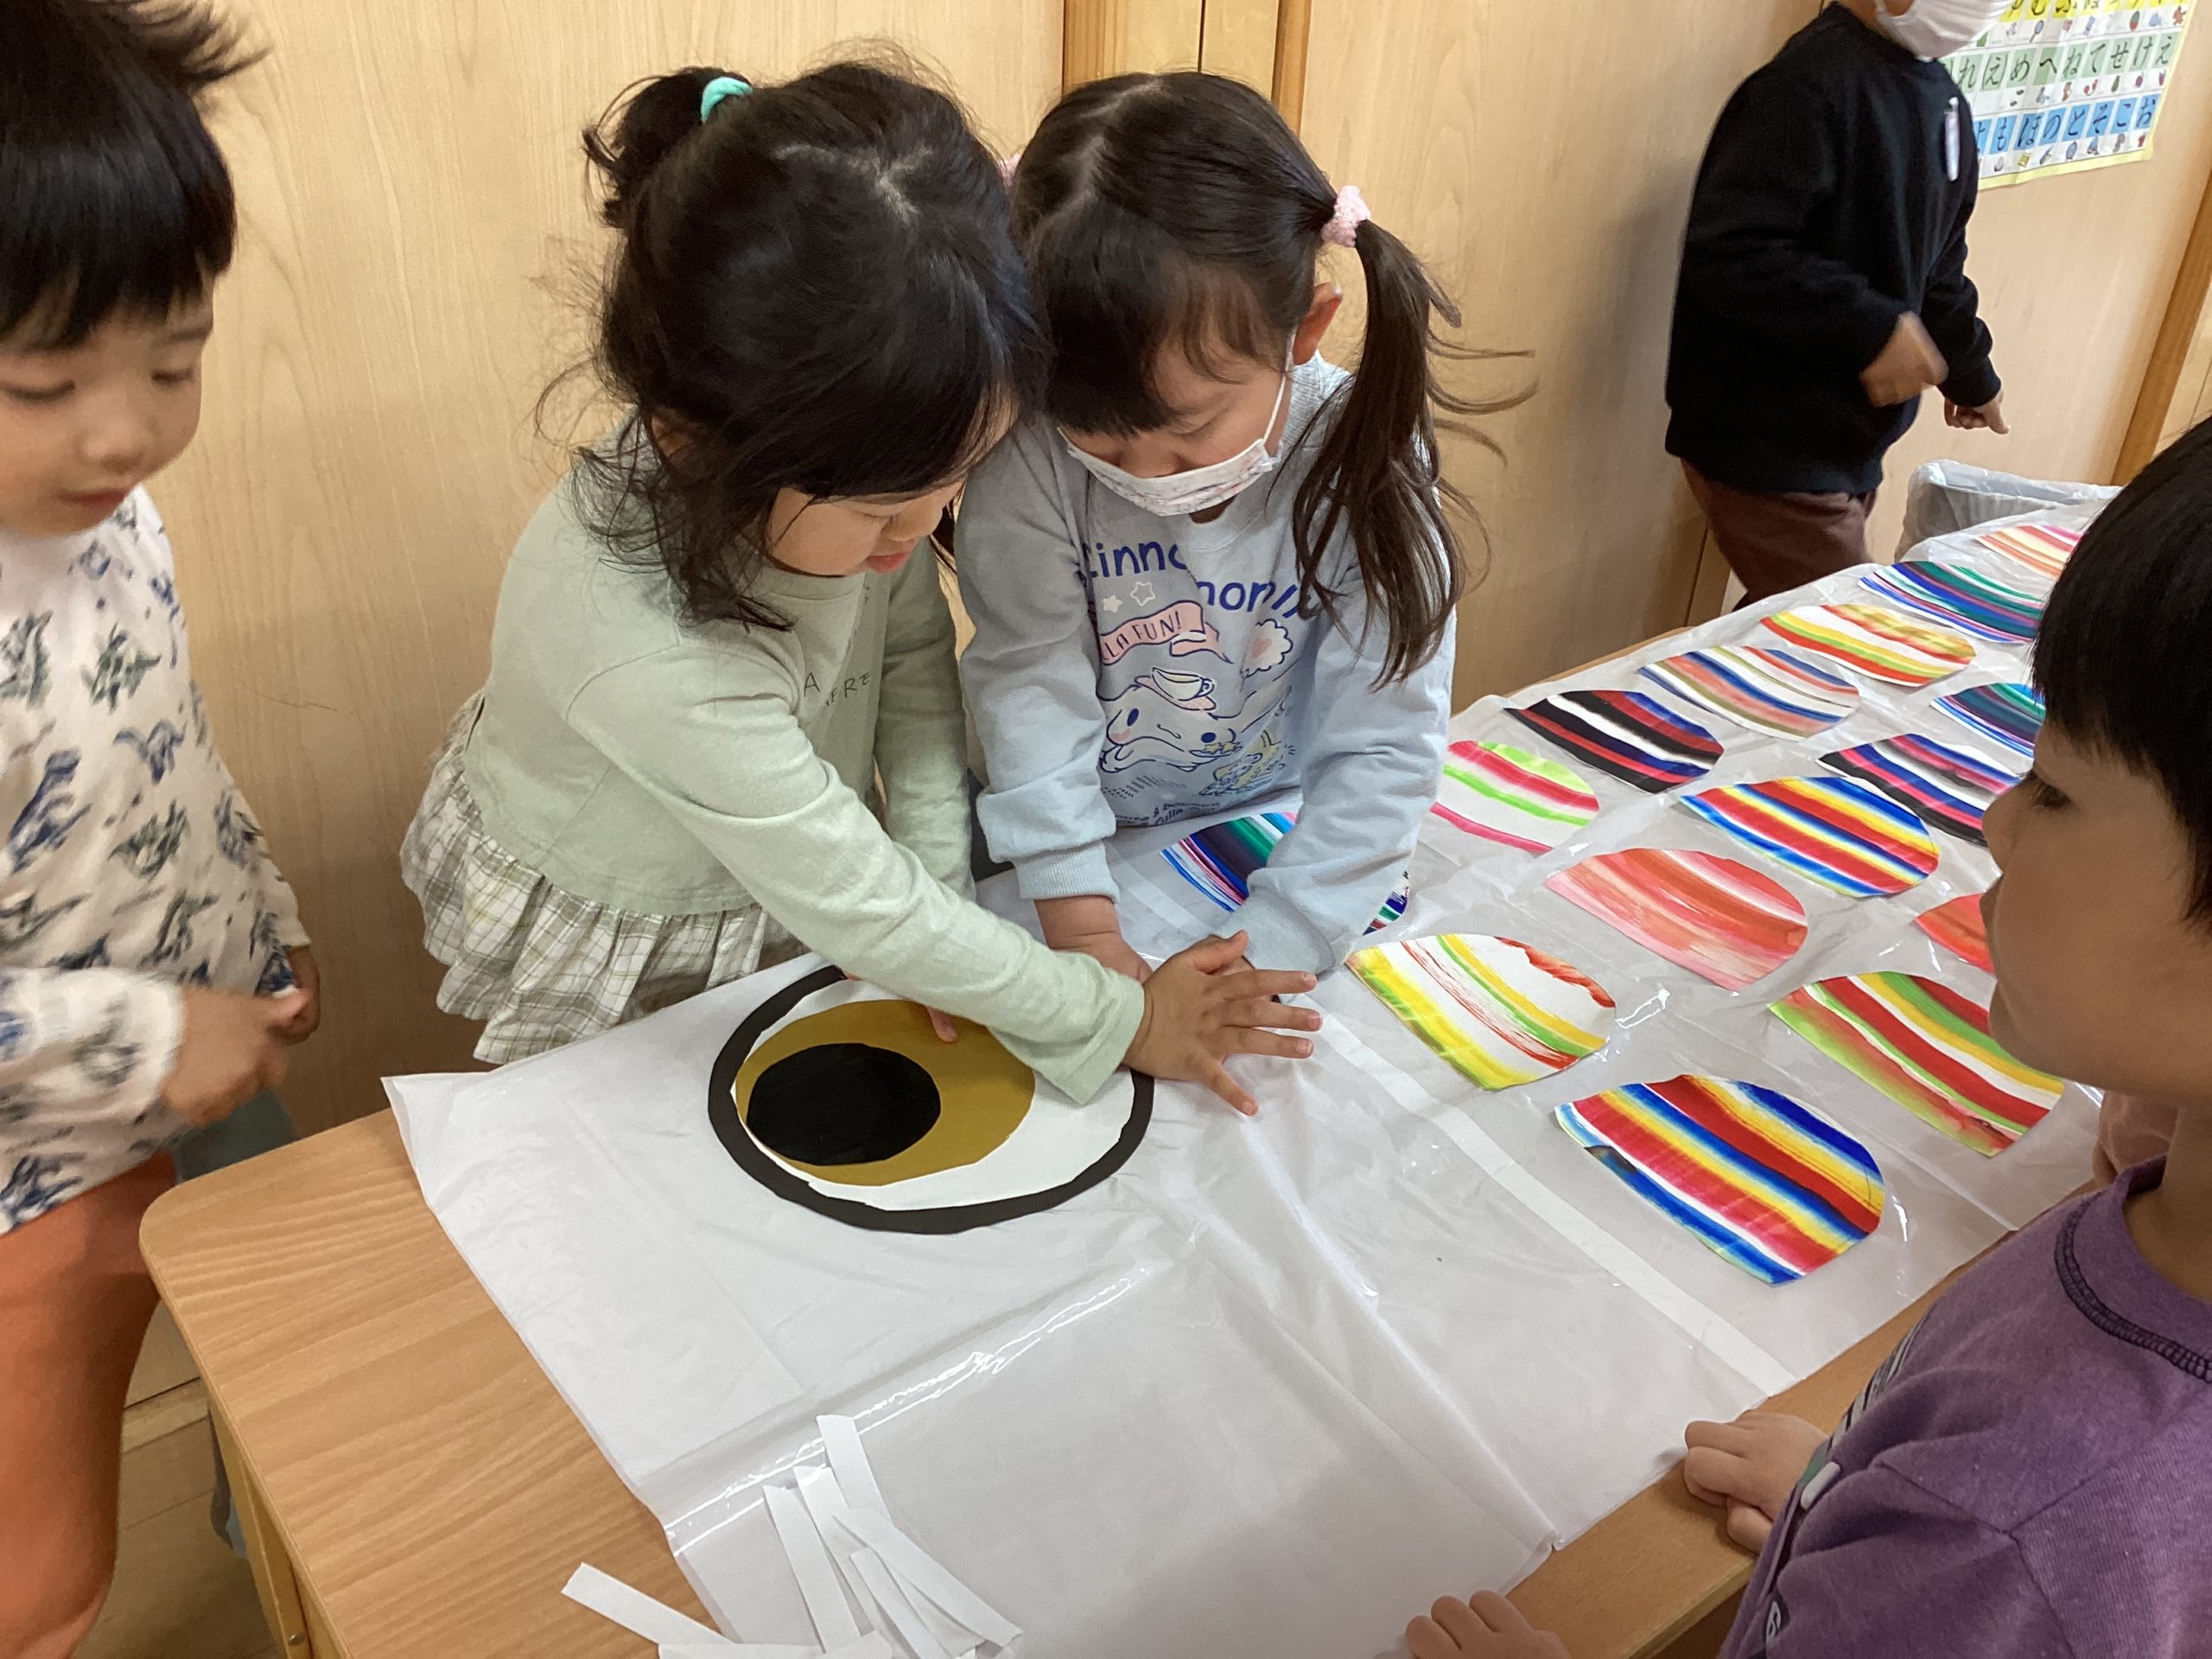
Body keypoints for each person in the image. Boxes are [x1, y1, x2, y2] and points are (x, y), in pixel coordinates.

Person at [1405, 417, 2212, 1656]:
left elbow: (2019, 1554)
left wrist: (1936, 1542)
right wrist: (1860, 1494)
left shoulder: (2007, 1533)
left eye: (2053, 788)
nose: (1995, 825)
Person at [402, 62, 1319, 1116]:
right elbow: (857, 900)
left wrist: (937, 883)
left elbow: (910, 660)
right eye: (887, 510)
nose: (921, 533)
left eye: (953, 483)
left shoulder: (856, 455)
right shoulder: (644, 648)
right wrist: (1118, 1019)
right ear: (702, 442)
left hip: (811, 877)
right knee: (646, 1146)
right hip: (636, 907)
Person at [0, 3, 321, 1650]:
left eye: (174, 362)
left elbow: (166, 751)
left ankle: (300, 1586)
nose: (124, 433)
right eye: (44, 383)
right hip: (34, 1185)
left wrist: (263, 920)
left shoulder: (117, 516)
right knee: (40, 1572)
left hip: (213, 1062)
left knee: (291, 1403)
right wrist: (148, 1038)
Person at [960, 72, 1503, 1002]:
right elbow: (1030, 692)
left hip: (1268, 826)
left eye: (1190, 432)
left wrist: (1274, 947)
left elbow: (1385, 741)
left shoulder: (1365, 455)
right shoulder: (1031, 466)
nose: (1147, 476)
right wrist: (1085, 932)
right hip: (1059, 855)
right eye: (1102, 441)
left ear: (1305, 329)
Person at [1666, 0, 2009, 603]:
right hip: (1769, 442)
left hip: (1850, 443)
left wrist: (1970, 370)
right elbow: (1734, 251)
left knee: (1793, 618)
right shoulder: (1804, 87)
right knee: (1840, 619)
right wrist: (1872, 329)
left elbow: (1939, 264)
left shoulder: (1945, 105)